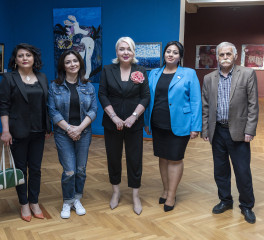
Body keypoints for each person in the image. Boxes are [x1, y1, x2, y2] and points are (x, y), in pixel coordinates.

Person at [202, 42, 259, 224]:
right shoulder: (209, 78)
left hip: (240, 132)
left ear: (235, 56)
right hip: (217, 131)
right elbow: (205, 107)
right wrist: (206, 129)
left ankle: (246, 205)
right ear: (217, 57)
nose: (224, 57)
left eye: (228, 54)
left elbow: (253, 105)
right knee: (220, 170)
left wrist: (250, 130)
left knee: (242, 171)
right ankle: (225, 200)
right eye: (221, 54)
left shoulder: (247, 74)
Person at [144, 41, 202, 212]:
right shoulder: (154, 73)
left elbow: (196, 101)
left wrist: (195, 126)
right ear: (164, 54)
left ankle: (171, 195)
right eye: (168, 51)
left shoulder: (189, 73)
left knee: (175, 158)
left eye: (175, 52)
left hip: (180, 123)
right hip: (157, 123)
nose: (170, 54)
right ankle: (165, 189)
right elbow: (148, 100)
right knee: (162, 157)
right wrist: (147, 121)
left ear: (180, 56)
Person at [0, 43, 51, 222]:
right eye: (21, 55)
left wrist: (48, 126)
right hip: (17, 132)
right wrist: (5, 130)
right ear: (16, 59)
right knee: (20, 170)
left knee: (35, 169)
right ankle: (24, 204)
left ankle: (34, 201)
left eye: (28, 55)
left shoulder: (42, 77)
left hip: (39, 131)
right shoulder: (9, 78)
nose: (25, 58)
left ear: (34, 58)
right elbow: (3, 106)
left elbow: (46, 104)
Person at [98, 37, 150, 215]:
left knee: (134, 160)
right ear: (116, 52)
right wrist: (114, 117)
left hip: (134, 125)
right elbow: (102, 94)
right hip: (112, 124)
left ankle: (135, 195)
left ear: (134, 51)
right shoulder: (107, 70)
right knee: (113, 158)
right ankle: (116, 192)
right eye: (121, 49)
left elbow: (145, 97)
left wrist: (134, 117)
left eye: (129, 49)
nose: (125, 52)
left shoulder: (140, 70)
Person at [47, 50, 97, 219]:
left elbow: (93, 110)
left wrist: (79, 128)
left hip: (84, 132)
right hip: (63, 134)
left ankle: (77, 198)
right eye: (68, 62)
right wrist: (69, 129)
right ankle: (67, 201)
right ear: (63, 65)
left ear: (80, 63)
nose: (72, 64)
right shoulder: (54, 86)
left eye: (75, 61)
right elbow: (52, 111)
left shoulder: (88, 85)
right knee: (69, 170)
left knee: (81, 169)